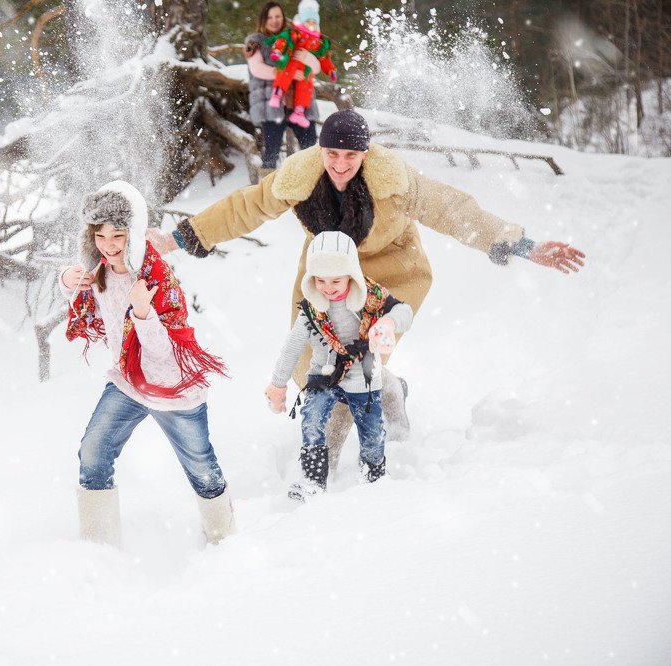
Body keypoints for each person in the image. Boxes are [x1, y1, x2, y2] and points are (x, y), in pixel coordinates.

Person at [148, 109, 585, 470]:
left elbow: (454, 210)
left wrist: (521, 244)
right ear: (320, 150)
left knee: (355, 362)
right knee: (310, 366)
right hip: (325, 277)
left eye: (351, 155)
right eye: (332, 154)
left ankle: (323, 468)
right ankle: (389, 393)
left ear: (366, 153)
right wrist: (181, 238)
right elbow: (245, 207)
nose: (340, 164)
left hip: (390, 274)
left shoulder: (396, 184)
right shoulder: (299, 180)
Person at [60, 180, 234, 547]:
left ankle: (224, 541)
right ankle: (97, 547)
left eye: (118, 235)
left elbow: (165, 354)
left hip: (174, 389)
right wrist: (68, 280)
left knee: (202, 469)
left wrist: (142, 312)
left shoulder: (156, 278)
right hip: (129, 383)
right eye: (100, 236)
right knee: (93, 450)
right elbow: (92, 312)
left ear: (133, 234)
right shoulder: (100, 274)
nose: (109, 246)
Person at [266, 231, 413, 498]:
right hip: (324, 378)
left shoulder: (370, 297)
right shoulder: (311, 309)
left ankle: (373, 475)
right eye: (320, 280)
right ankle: (313, 481)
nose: (328, 287)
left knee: (370, 429)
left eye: (336, 279)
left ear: (352, 275)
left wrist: (388, 323)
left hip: (363, 376)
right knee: (312, 421)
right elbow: (292, 347)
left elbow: (405, 312)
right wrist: (277, 384)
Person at [244, 1, 321, 177]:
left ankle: (314, 188)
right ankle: (267, 194)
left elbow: (316, 68)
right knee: (271, 152)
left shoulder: (297, 36)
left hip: (299, 104)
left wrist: (307, 57)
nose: (274, 20)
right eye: (270, 17)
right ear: (263, 19)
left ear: (283, 18)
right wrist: (288, 73)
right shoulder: (255, 42)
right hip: (271, 104)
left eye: (278, 16)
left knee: (312, 149)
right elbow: (257, 69)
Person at [265, 0, 337, 130]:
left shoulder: (318, 41)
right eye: (308, 21)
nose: (311, 25)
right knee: (286, 72)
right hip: (292, 62)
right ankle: (277, 93)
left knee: (307, 85)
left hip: (306, 68)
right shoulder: (295, 33)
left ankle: (299, 111)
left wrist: (330, 69)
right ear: (302, 21)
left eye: (314, 22)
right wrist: (278, 50)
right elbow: (283, 40)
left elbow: (324, 57)